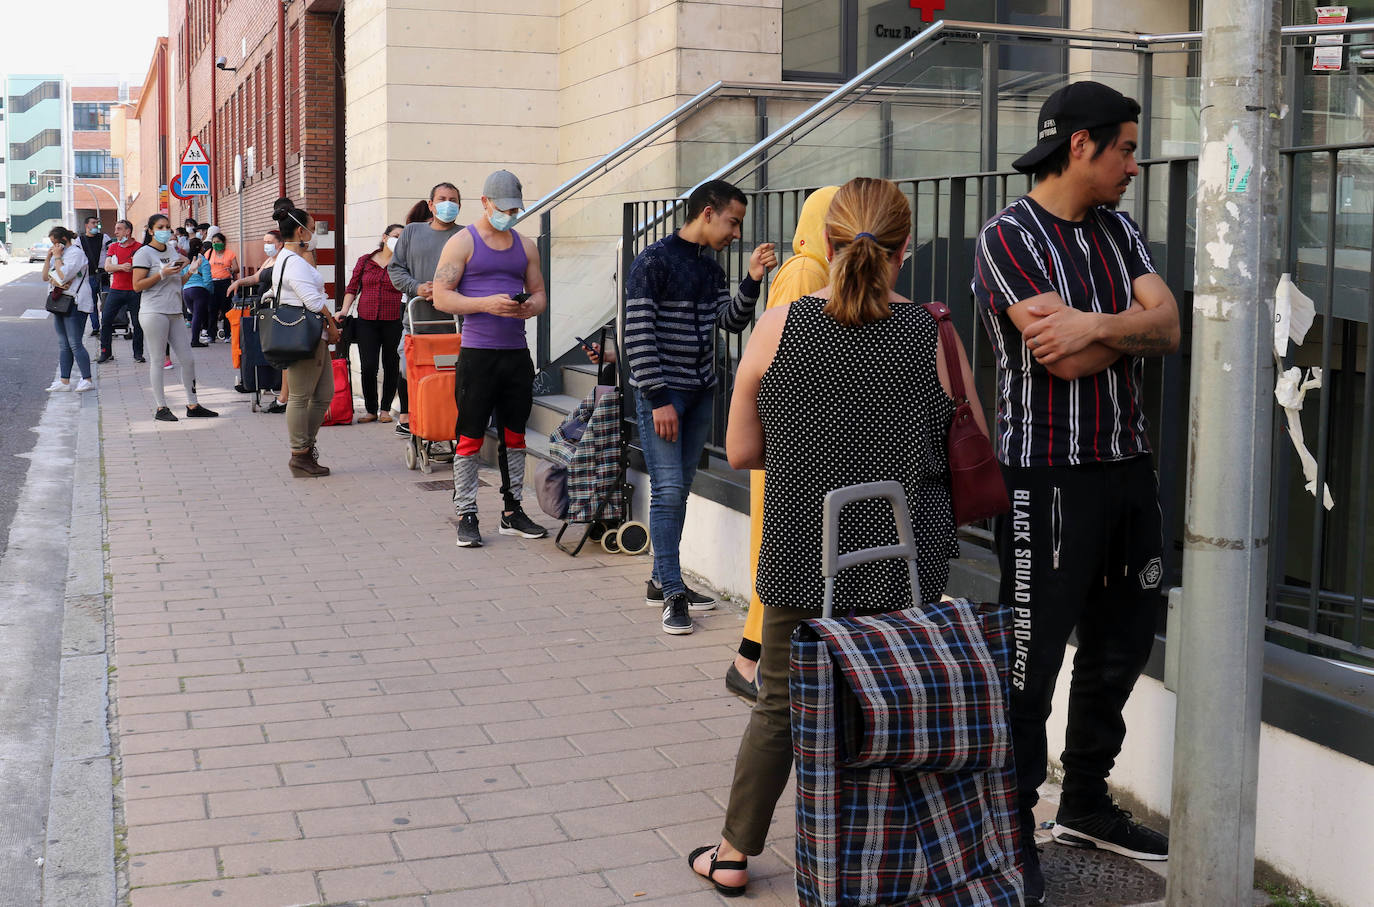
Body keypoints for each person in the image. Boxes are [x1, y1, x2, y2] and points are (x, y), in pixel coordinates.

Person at [688, 177, 983, 897]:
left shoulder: (780, 325)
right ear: (904, 250)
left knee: (781, 704)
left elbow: (740, 452)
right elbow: (966, 438)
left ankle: (732, 852)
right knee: (893, 700)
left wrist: (813, 450)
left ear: (824, 242)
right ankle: (893, 857)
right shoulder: (933, 332)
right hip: (906, 560)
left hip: (800, 551)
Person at [972, 81, 1181, 904]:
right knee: (1032, 659)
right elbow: (1061, 359)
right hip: (1046, 476)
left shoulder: (1121, 230)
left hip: (1129, 468)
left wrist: (1096, 326)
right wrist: (1121, 331)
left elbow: (1169, 326)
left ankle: (1087, 801)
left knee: (1122, 645)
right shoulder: (1006, 237)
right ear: (1082, 146)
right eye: (1126, 147)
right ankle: (1011, 826)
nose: (1137, 162)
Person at [623, 179, 777, 635]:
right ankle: (673, 589)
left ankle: (661, 578)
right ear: (707, 212)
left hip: (699, 391)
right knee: (669, 490)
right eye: (733, 221)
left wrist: (751, 280)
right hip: (664, 396)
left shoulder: (710, 270)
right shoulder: (652, 261)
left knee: (680, 489)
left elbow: (728, 322)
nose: (736, 233)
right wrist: (658, 399)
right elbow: (638, 334)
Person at [727, 184, 838, 701]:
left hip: (785, 442)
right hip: (788, 443)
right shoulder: (808, 272)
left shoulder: (809, 268)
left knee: (777, 560)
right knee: (780, 562)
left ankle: (751, 665)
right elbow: (794, 364)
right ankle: (753, 668)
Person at [432, 169, 548, 548]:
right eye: (503, 208)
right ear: (484, 203)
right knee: (469, 435)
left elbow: (541, 294)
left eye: (515, 210)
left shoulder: (526, 245)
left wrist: (529, 307)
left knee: (515, 435)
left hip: (515, 354)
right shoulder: (462, 243)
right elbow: (441, 296)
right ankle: (466, 510)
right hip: (478, 354)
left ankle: (512, 510)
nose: (510, 215)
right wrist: (485, 304)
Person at [271, 198, 342, 477]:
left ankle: (306, 447)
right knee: (300, 397)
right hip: (303, 333)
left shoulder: (290, 260)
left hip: (314, 334)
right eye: (312, 228)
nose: (314, 234)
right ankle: (299, 453)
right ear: (300, 232)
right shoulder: (293, 262)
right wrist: (332, 325)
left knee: (323, 394)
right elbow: (312, 302)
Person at [388, 182, 463, 436]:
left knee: (451, 380)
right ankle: (416, 423)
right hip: (417, 322)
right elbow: (396, 269)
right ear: (430, 204)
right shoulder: (411, 233)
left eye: (453, 199)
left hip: (456, 326)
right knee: (410, 373)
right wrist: (418, 288)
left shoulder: (466, 235)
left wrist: (449, 292)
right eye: (442, 198)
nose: (448, 204)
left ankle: (448, 426)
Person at [131, 215, 218, 422]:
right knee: (158, 360)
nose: (165, 230)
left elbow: (176, 281)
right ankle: (161, 407)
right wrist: (160, 274)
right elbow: (137, 286)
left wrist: (190, 273)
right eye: (160, 227)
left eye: (168, 227)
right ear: (151, 230)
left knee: (188, 359)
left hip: (175, 311)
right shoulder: (143, 253)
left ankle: (192, 404)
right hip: (154, 311)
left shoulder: (171, 251)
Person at [339, 224, 405, 423]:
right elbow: (352, 288)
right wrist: (344, 310)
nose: (399, 240)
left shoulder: (403, 263)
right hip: (366, 320)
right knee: (368, 366)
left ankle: (385, 410)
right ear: (384, 237)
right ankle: (370, 409)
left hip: (394, 320)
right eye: (395, 236)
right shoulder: (366, 261)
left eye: (403, 237)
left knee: (391, 364)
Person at [228, 230, 288, 412]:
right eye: (264, 242)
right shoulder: (269, 261)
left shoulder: (284, 261)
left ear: (280, 243)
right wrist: (238, 282)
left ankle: (279, 387)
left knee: (277, 349)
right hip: (262, 309)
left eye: (269, 242)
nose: (266, 245)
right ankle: (260, 379)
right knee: (260, 347)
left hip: (275, 310)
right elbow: (255, 278)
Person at [42, 226, 95, 393]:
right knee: (63, 344)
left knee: (75, 343)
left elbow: (62, 276)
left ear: (64, 240)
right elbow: (46, 277)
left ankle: (86, 379)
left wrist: (57, 260)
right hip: (59, 302)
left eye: (54, 243)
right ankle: (64, 380)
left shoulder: (75, 254)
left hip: (75, 303)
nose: (53, 246)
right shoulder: (59, 255)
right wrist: (49, 257)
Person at [98, 219, 146, 364]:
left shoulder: (140, 248)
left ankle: (138, 353)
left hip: (135, 290)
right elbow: (107, 267)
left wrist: (120, 266)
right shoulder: (113, 247)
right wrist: (121, 267)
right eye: (116, 229)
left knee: (138, 323)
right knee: (106, 320)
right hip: (116, 290)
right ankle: (105, 353)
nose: (115, 232)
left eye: (119, 229)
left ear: (127, 231)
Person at [78, 216, 110, 337]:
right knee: (91, 304)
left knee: (106, 302)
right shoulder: (80, 240)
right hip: (88, 276)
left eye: (97, 223)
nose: (96, 225)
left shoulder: (104, 237)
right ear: (87, 225)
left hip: (103, 275)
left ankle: (107, 326)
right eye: (93, 223)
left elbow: (111, 251)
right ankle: (95, 327)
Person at [182, 238, 216, 348]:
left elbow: (182, 276)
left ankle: (196, 338)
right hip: (199, 291)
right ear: (201, 248)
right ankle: (195, 340)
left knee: (195, 315)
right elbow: (207, 279)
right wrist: (210, 291)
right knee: (197, 315)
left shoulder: (186, 260)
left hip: (186, 290)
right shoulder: (203, 260)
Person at [206, 231, 240, 342]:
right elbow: (204, 266)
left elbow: (236, 268)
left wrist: (231, 269)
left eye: (218, 242)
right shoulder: (209, 253)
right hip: (212, 283)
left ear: (223, 242)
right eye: (214, 242)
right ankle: (211, 334)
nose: (216, 244)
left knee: (226, 309)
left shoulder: (230, 253)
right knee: (212, 309)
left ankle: (227, 334)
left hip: (225, 283)